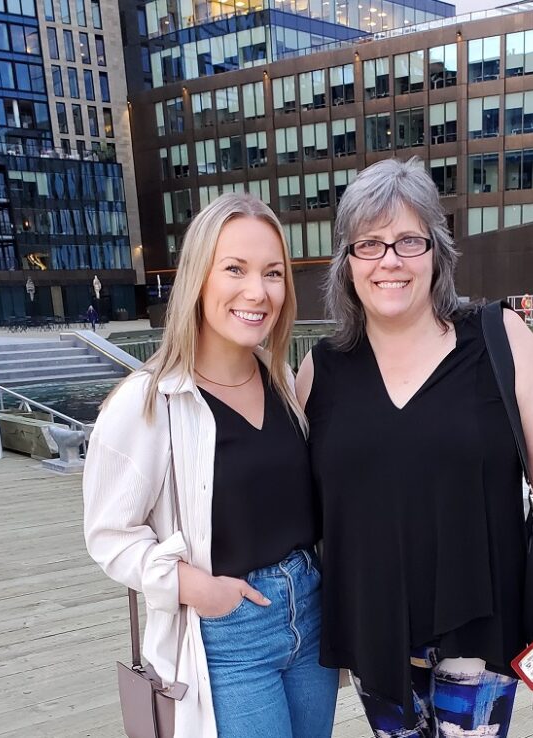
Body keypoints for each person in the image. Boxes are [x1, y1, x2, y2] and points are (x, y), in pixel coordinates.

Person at [296, 158, 533, 736]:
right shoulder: (319, 370)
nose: (389, 260)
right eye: (368, 244)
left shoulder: (500, 338)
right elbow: (294, 496)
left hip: (480, 613)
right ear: (347, 264)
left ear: (437, 253)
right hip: (376, 625)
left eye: (407, 241)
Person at [84, 193, 338, 738]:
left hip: (310, 614)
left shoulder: (283, 382)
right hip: (228, 633)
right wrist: (194, 587)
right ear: (199, 278)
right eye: (235, 269)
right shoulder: (150, 401)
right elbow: (108, 535)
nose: (258, 291)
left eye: (273, 273)